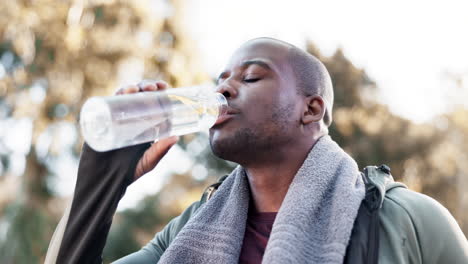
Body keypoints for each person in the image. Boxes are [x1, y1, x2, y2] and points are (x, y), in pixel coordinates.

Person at [45, 38, 468, 264]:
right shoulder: (187, 233)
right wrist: (103, 180)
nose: (223, 89)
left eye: (251, 78)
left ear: (311, 109)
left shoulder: (406, 221)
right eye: (222, 79)